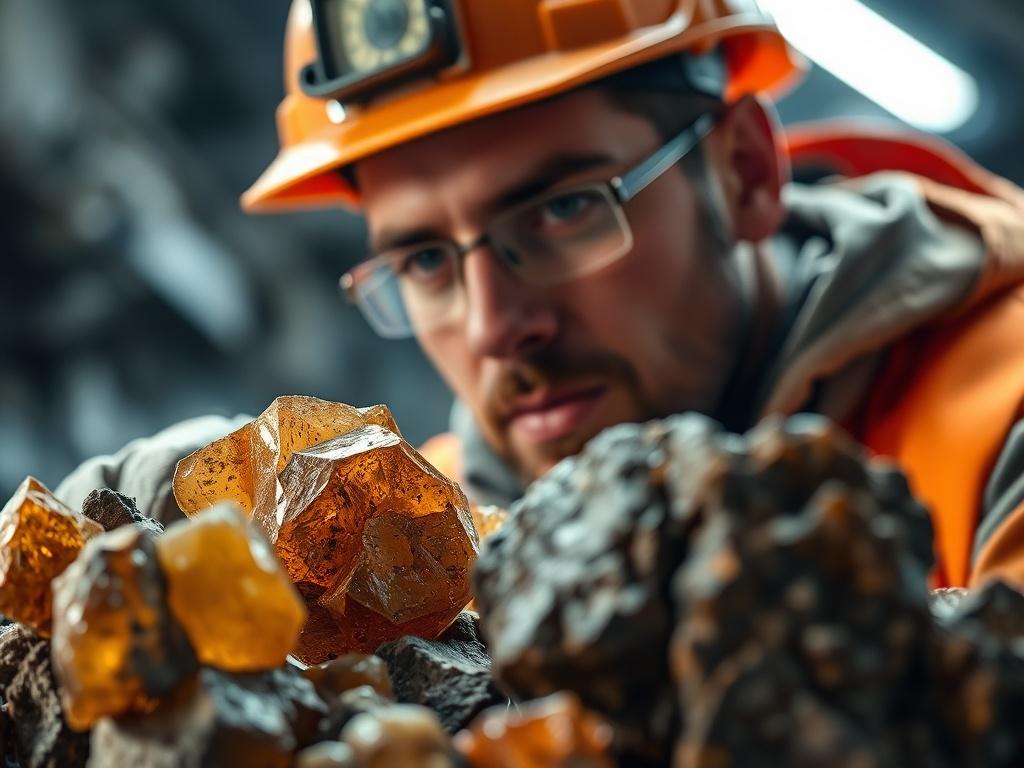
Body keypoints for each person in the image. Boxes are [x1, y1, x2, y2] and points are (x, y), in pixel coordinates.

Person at [59, 0, 1024, 589]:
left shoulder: (1000, 408)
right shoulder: (412, 551)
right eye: (427, 262)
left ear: (745, 174)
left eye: (562, 212)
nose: (495, 326)